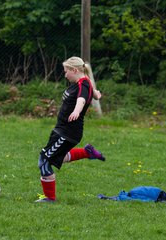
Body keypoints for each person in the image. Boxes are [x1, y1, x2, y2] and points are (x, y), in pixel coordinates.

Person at [36, 56, 105, 203]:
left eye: (66, 71)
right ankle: (87, 152)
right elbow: (91, 89)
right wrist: (96, 94)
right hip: (62, 130)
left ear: (74, 70)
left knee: (44, 160)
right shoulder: (84, 81)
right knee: (55, 156)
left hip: (67, 132)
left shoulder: (83, 85)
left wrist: (77, 111)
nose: (65, 74)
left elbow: (81, 98)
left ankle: (50, 198)